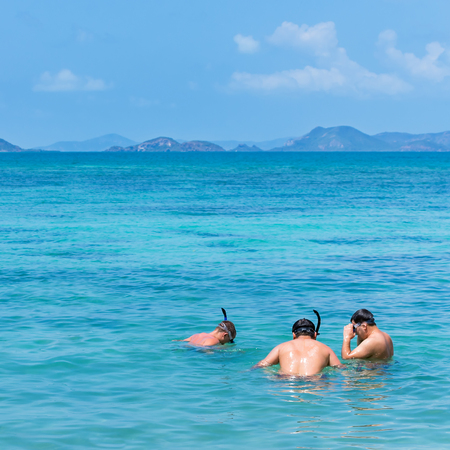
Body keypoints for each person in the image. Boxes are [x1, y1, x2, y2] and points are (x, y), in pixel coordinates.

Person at [253, 311, 341, 376]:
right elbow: (340, 368)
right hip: (314, 383)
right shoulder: (326, 349)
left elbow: (262, 365)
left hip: (286, 383)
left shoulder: (281, 347)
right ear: (315, 334)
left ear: (294, 334)